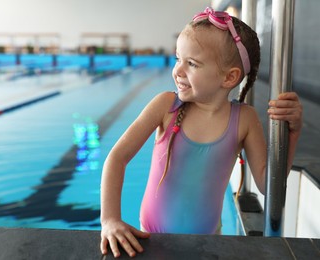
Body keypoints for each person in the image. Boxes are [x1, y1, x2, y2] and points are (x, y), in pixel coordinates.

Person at [100, 7, 302, 258]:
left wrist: (291, 134)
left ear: (229, 77)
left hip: (208, 241)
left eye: (192, 63)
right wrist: (109, 220)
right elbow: (116, 158)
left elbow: (266, 184)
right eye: (178, 59)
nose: (178, 71)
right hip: (151, 238)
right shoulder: (166, 106)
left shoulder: (244, 119)